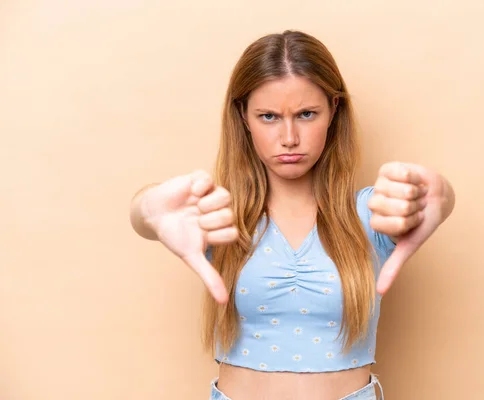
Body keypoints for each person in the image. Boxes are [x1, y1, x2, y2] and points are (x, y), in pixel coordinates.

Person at [129, 30, 455, 400]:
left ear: (333, 110)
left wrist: (438, 194)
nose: (289, 137)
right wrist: (148, 206)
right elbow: (147, 217)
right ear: (243, 116)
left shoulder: (370, 213)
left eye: (306, 114)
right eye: (268, 116)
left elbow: (430, 203)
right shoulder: (219, 215)